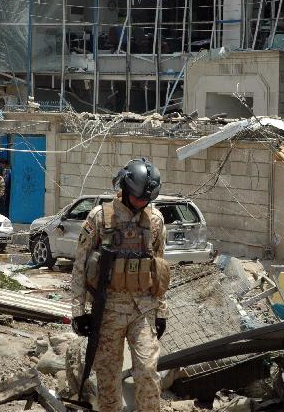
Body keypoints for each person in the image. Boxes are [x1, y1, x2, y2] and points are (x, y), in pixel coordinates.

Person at [71, 158, 169, 412]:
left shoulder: (156, 221)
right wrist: (78, 312)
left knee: (147, 370)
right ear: (125, 189)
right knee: (108, 376)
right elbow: (80, 267)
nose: (141, 203)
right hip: (109, 308)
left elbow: (160, 268)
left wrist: (162, 312)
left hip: (144, 308)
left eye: (146, 199)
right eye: (138, 197)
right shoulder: (99, 218)